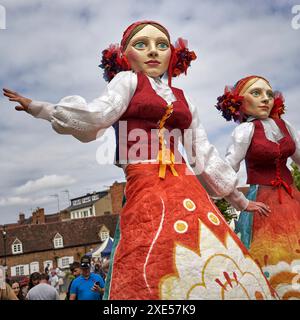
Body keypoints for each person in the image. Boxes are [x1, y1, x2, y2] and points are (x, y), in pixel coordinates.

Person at [2, 20, 274, 300]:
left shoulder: (183, 98)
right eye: (142, 44)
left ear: (173, 55)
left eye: (162, 45)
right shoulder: (128, 81)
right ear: (125, 54)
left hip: (185, 185)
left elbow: (201, 151)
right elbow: (97, 115)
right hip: (145, 182)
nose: (153, 51)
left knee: (202, 250)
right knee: (153, 252)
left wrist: (239, 200)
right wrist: (41, 109)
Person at [216, 75, 300, 299]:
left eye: (269, 94)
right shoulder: (245, 131)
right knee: (273, 264)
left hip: (293, 200)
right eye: (256, 93)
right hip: (264, 205)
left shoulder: (286, 126)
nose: (265, 99)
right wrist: (240, 202)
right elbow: (226, 171)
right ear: (239, 102)